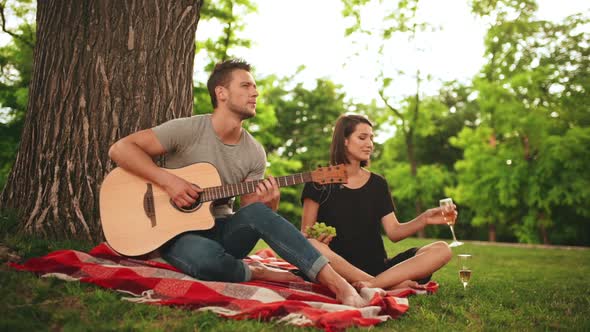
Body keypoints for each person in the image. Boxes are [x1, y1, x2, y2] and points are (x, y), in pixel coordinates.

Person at [108, 59, 367, 307]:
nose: (255, 92)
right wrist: (169, 181)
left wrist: (270, 205)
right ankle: (253, 271)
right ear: (221, 93)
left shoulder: (254, 152)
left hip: (222, 229)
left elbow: (249, 211)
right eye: (246, 86)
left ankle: (338, 283)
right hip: (175, 233)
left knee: (258, 212)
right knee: (204, 259)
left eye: (255, 86)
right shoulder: (188, 129)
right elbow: (121, 149)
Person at [300, 114, 453, 291]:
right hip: (336, 268)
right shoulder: (318, 181)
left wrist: (424, 219)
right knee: (313, 246)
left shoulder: (378, 183)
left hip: (379, 269)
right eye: (362, 137)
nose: (370, 144)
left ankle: (373, 284)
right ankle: (384, 284)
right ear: (344, 141)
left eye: (371, 138)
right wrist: (319, 239)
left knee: (442, 249)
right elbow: (305, 237)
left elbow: (394, 232)